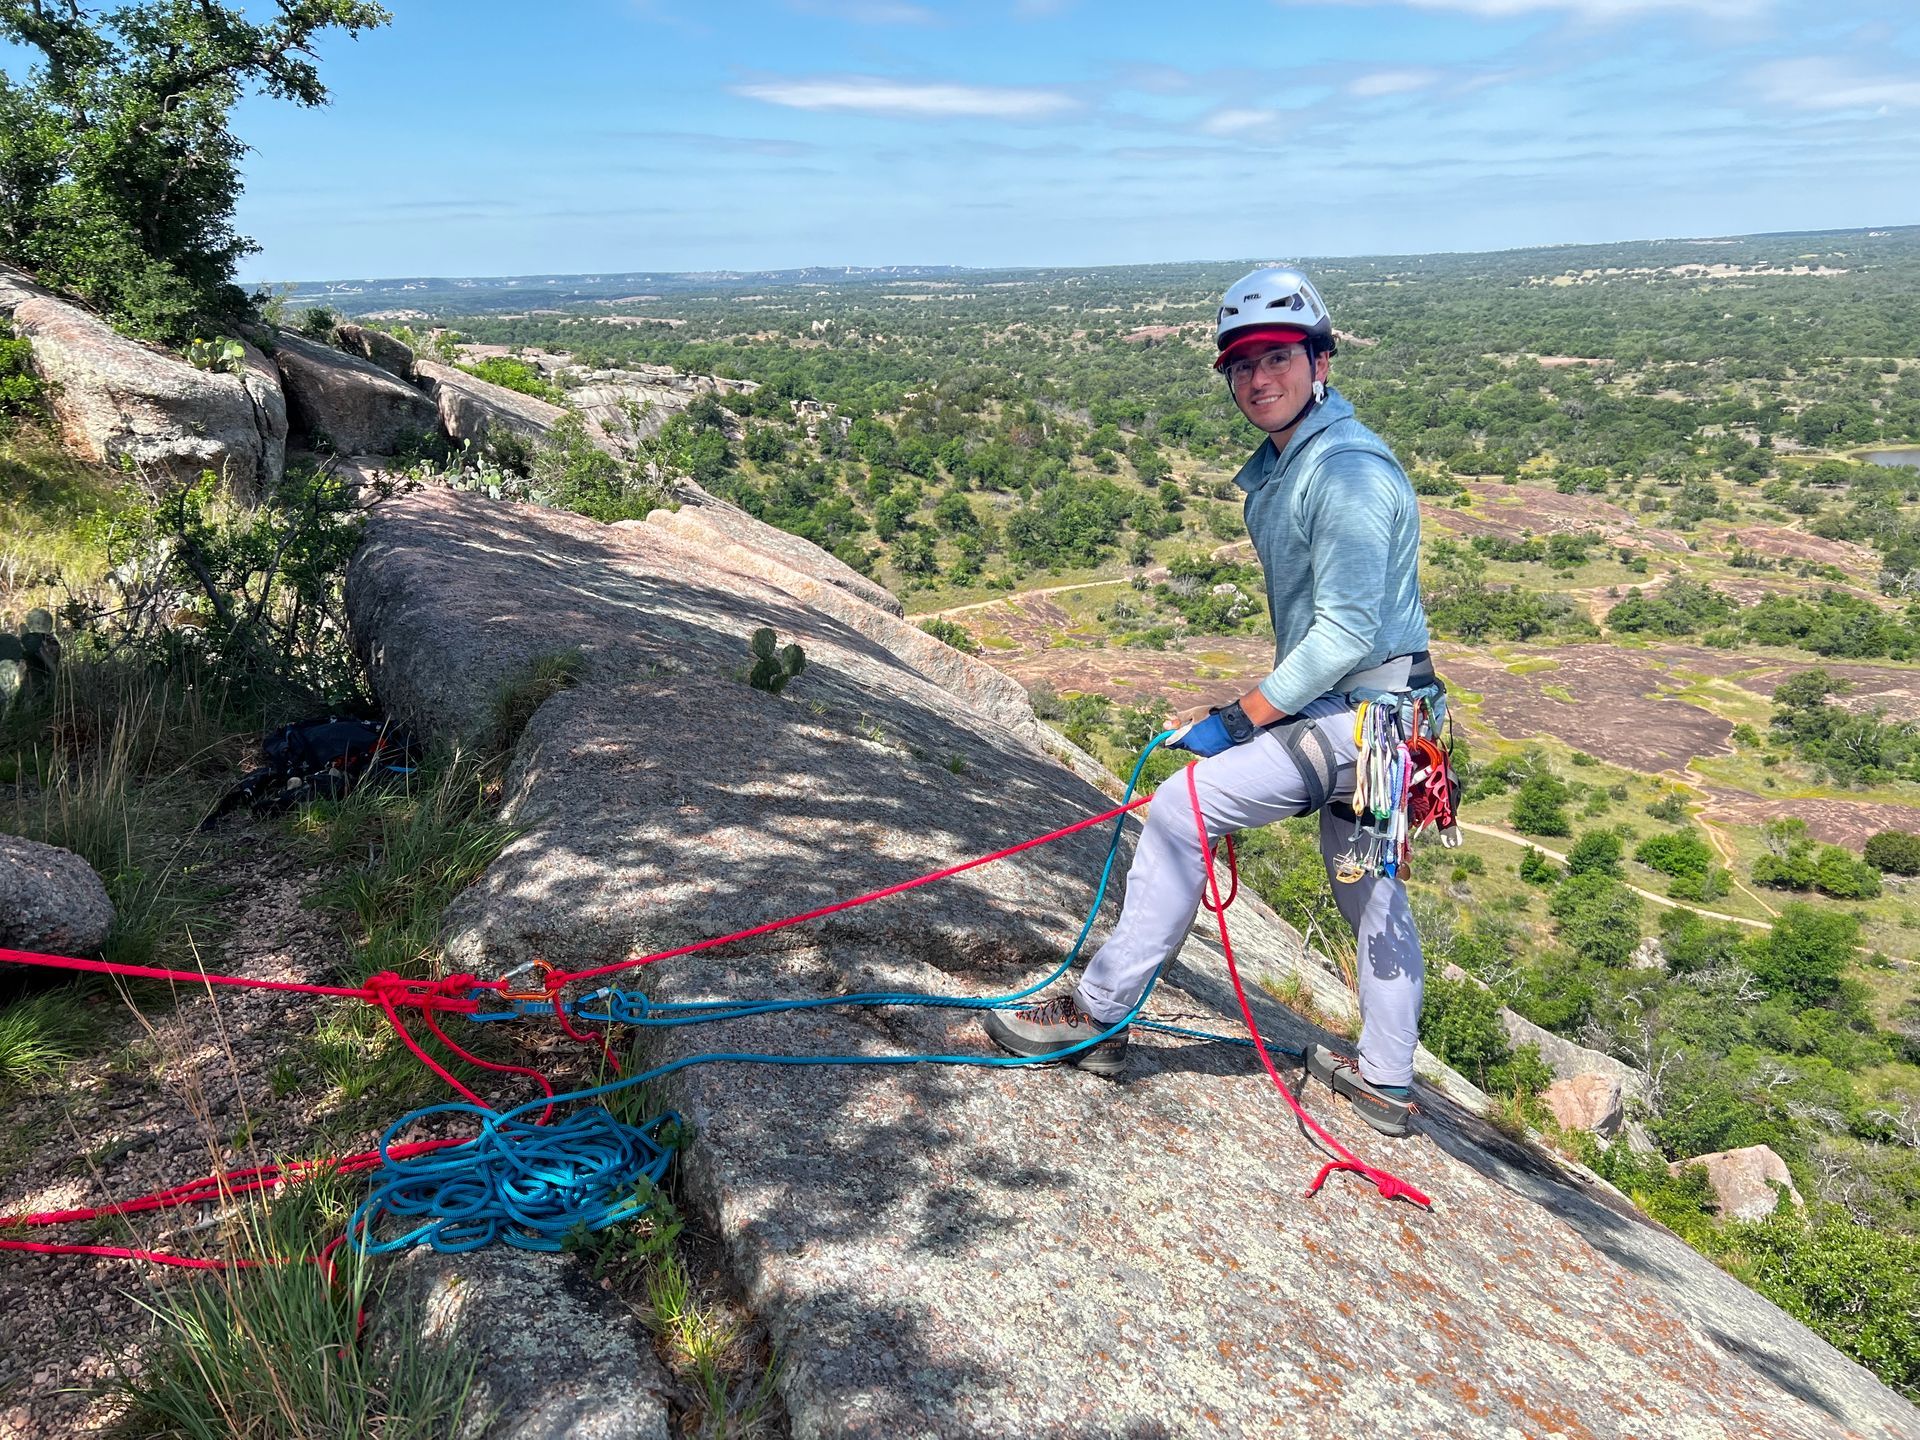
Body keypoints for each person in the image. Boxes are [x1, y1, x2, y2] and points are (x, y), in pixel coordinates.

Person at [983, 265, 1434, 1137]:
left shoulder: (1344, 471)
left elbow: (1343, 634)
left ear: (1321, 362)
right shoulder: (1295, 462)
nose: (1257, 379)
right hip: (1386, 723)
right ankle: (1385, 1080)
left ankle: (1098, 1017)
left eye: (1276, 358)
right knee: (1369, 897)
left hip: (1359, 718)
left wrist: (1240, 720)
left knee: (1182, 810)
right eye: (1240, 365)